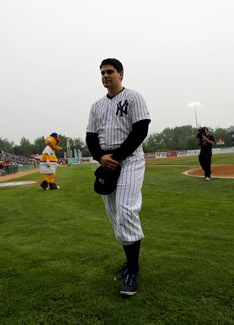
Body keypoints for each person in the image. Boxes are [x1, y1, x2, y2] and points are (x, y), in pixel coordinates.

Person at [86, 58, 151, 296]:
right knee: (115, 215)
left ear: (121, 74)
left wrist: (117, 155)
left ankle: (133, 270)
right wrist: (101, 157)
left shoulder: (133, 97)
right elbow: (91, 137)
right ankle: (129, 262)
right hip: (107, 162)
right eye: (102, 72)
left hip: (130, 159)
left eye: (109, 71)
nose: (105, 75)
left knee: (126, 209)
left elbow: (141, 129)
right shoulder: (96, 106)